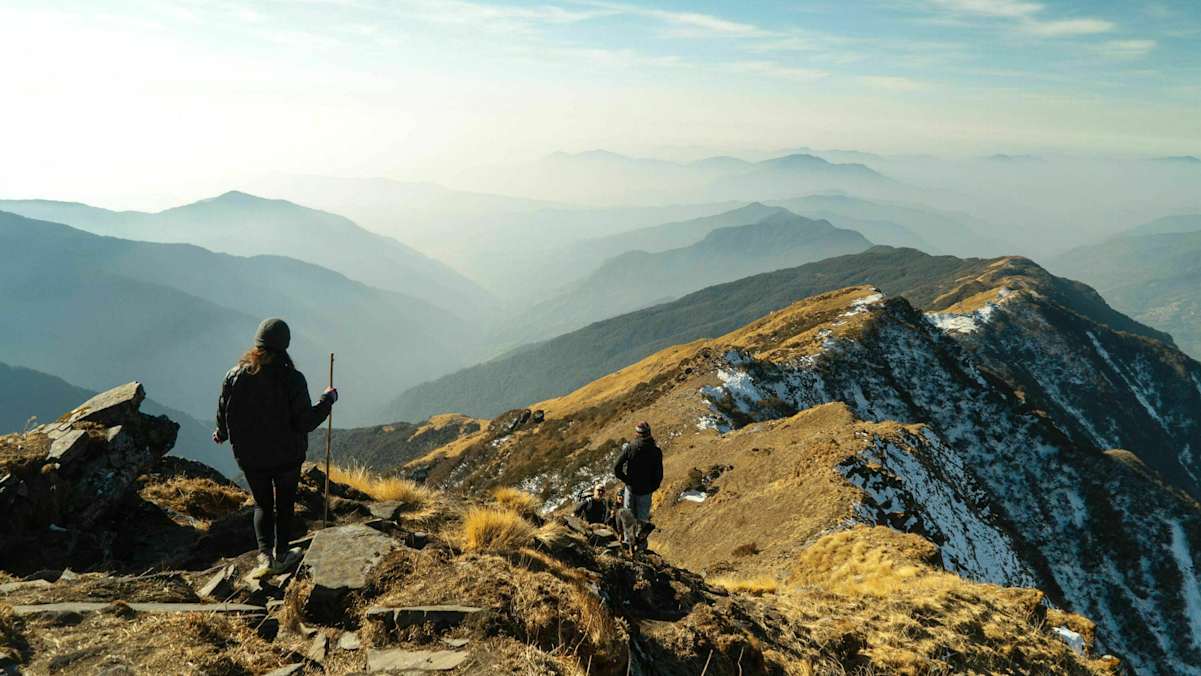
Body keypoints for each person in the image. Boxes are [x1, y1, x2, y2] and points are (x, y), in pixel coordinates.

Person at [214, 318, 337, 576]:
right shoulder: (292, 379)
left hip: (250, 456)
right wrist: (327, 400)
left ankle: (264, 556)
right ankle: (282, 555)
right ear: (285, 345)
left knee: (262, 504)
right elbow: (305, 422)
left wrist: (222, 433)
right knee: (284, 504)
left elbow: (225, 410)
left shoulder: (234, 375)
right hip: (286, 457)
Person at [612, 421, 663, 531]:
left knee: (628, 520)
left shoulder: (631, 448)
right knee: (642, 522)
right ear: (649, 433)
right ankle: (640, 546)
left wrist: (626, 480)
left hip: (631, 489)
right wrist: (652, 487)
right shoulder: (656, 451)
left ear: (637, 433)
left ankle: (627, 544)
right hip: (645, 491)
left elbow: (616, 466)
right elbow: (659, 474)